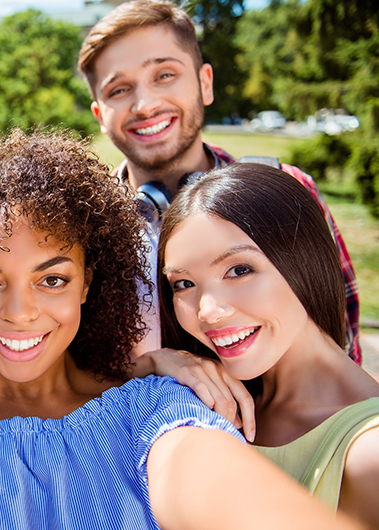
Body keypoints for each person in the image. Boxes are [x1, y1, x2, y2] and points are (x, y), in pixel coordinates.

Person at [0, 130, 364, 530]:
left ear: (87, 282)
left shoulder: (154, 410)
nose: (20, 311)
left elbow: (213, 482)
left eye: (51, 279)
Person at [78, 0, 361, 363]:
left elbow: (342, 348)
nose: (145, 104)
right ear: (101, 115)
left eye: (164, 75)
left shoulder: (287, 190)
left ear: (205, 82)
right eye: (119, 90)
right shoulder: (84, 225)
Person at [158, 163, 379, 529]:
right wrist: (159, 362)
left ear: (306, 260)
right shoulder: (205, 398)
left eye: (239, 270)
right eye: (183, 284)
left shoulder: (367, 455)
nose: (208, 311)